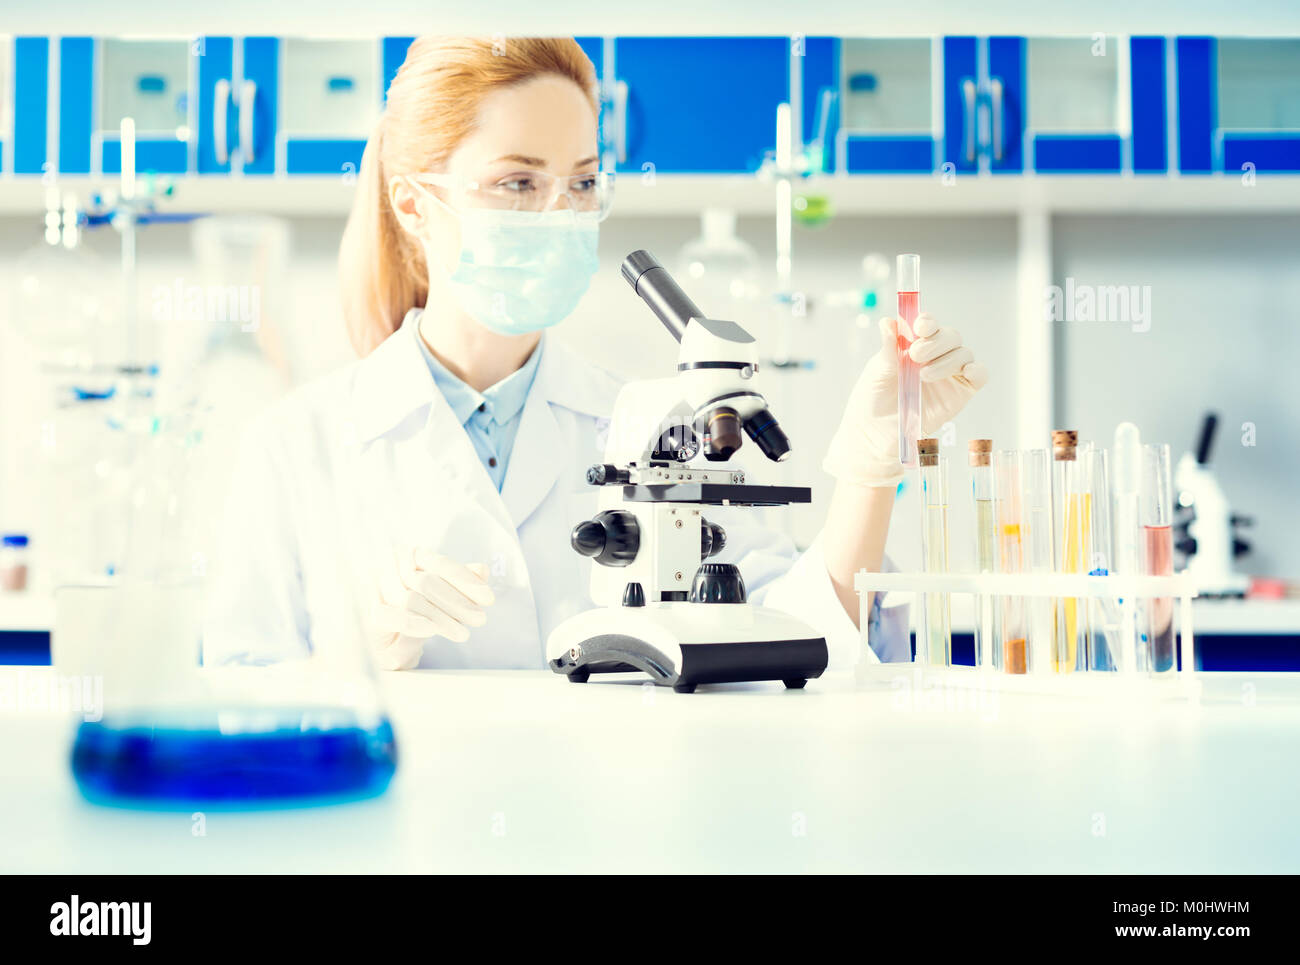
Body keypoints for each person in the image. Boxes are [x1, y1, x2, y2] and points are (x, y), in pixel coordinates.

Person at [203, 36, 987, 672]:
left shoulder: (654, 430)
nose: (559, 215)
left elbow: (801, 636)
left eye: (581, 184)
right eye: (517, 183)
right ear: (414, 203)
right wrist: (361, 656)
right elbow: (231, 710)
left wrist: (872, 459)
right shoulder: (294, 445)